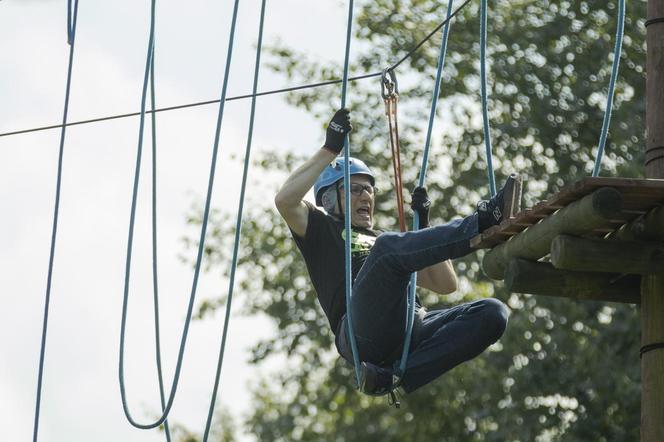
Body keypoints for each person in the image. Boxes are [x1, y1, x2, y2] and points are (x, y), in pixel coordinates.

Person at [274, 108, 519, 397]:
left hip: (411, 325)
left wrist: (424, 227)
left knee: (493, 313)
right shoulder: (321, 228)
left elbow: (445, 285)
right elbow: (285, 200)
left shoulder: (389, 244)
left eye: (369, 190)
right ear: (329, 199)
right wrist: (330, 148)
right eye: (354, 190)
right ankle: (482, 222)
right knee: (388, 248)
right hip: (360, 332)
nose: (366, 196)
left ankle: (392, 377)